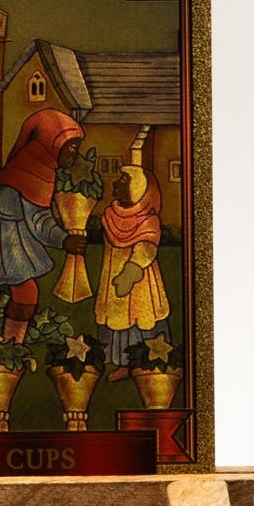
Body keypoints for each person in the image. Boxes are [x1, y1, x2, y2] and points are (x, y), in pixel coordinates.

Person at [0, 107, 81, 341]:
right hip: (5, 238)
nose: (75, 154)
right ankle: (11, 345)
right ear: (52, 143)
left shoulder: (36, 165)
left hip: (11, 234)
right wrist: (64, 240)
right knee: (25, 293)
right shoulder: (31, 170)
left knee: (18, 293)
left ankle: (7, 342)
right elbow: (39, 220)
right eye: (71, 147)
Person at [93, 157, 170, 376]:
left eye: (124, 180)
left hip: (139, 284)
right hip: (112, 276)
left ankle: (142, 362)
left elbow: (147, 249)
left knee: (140, 316)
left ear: (137, 189)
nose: (116, 183)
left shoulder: (147, 220)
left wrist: (131, 271)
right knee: (115, 314)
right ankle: (118, 360)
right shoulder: (111, 214)